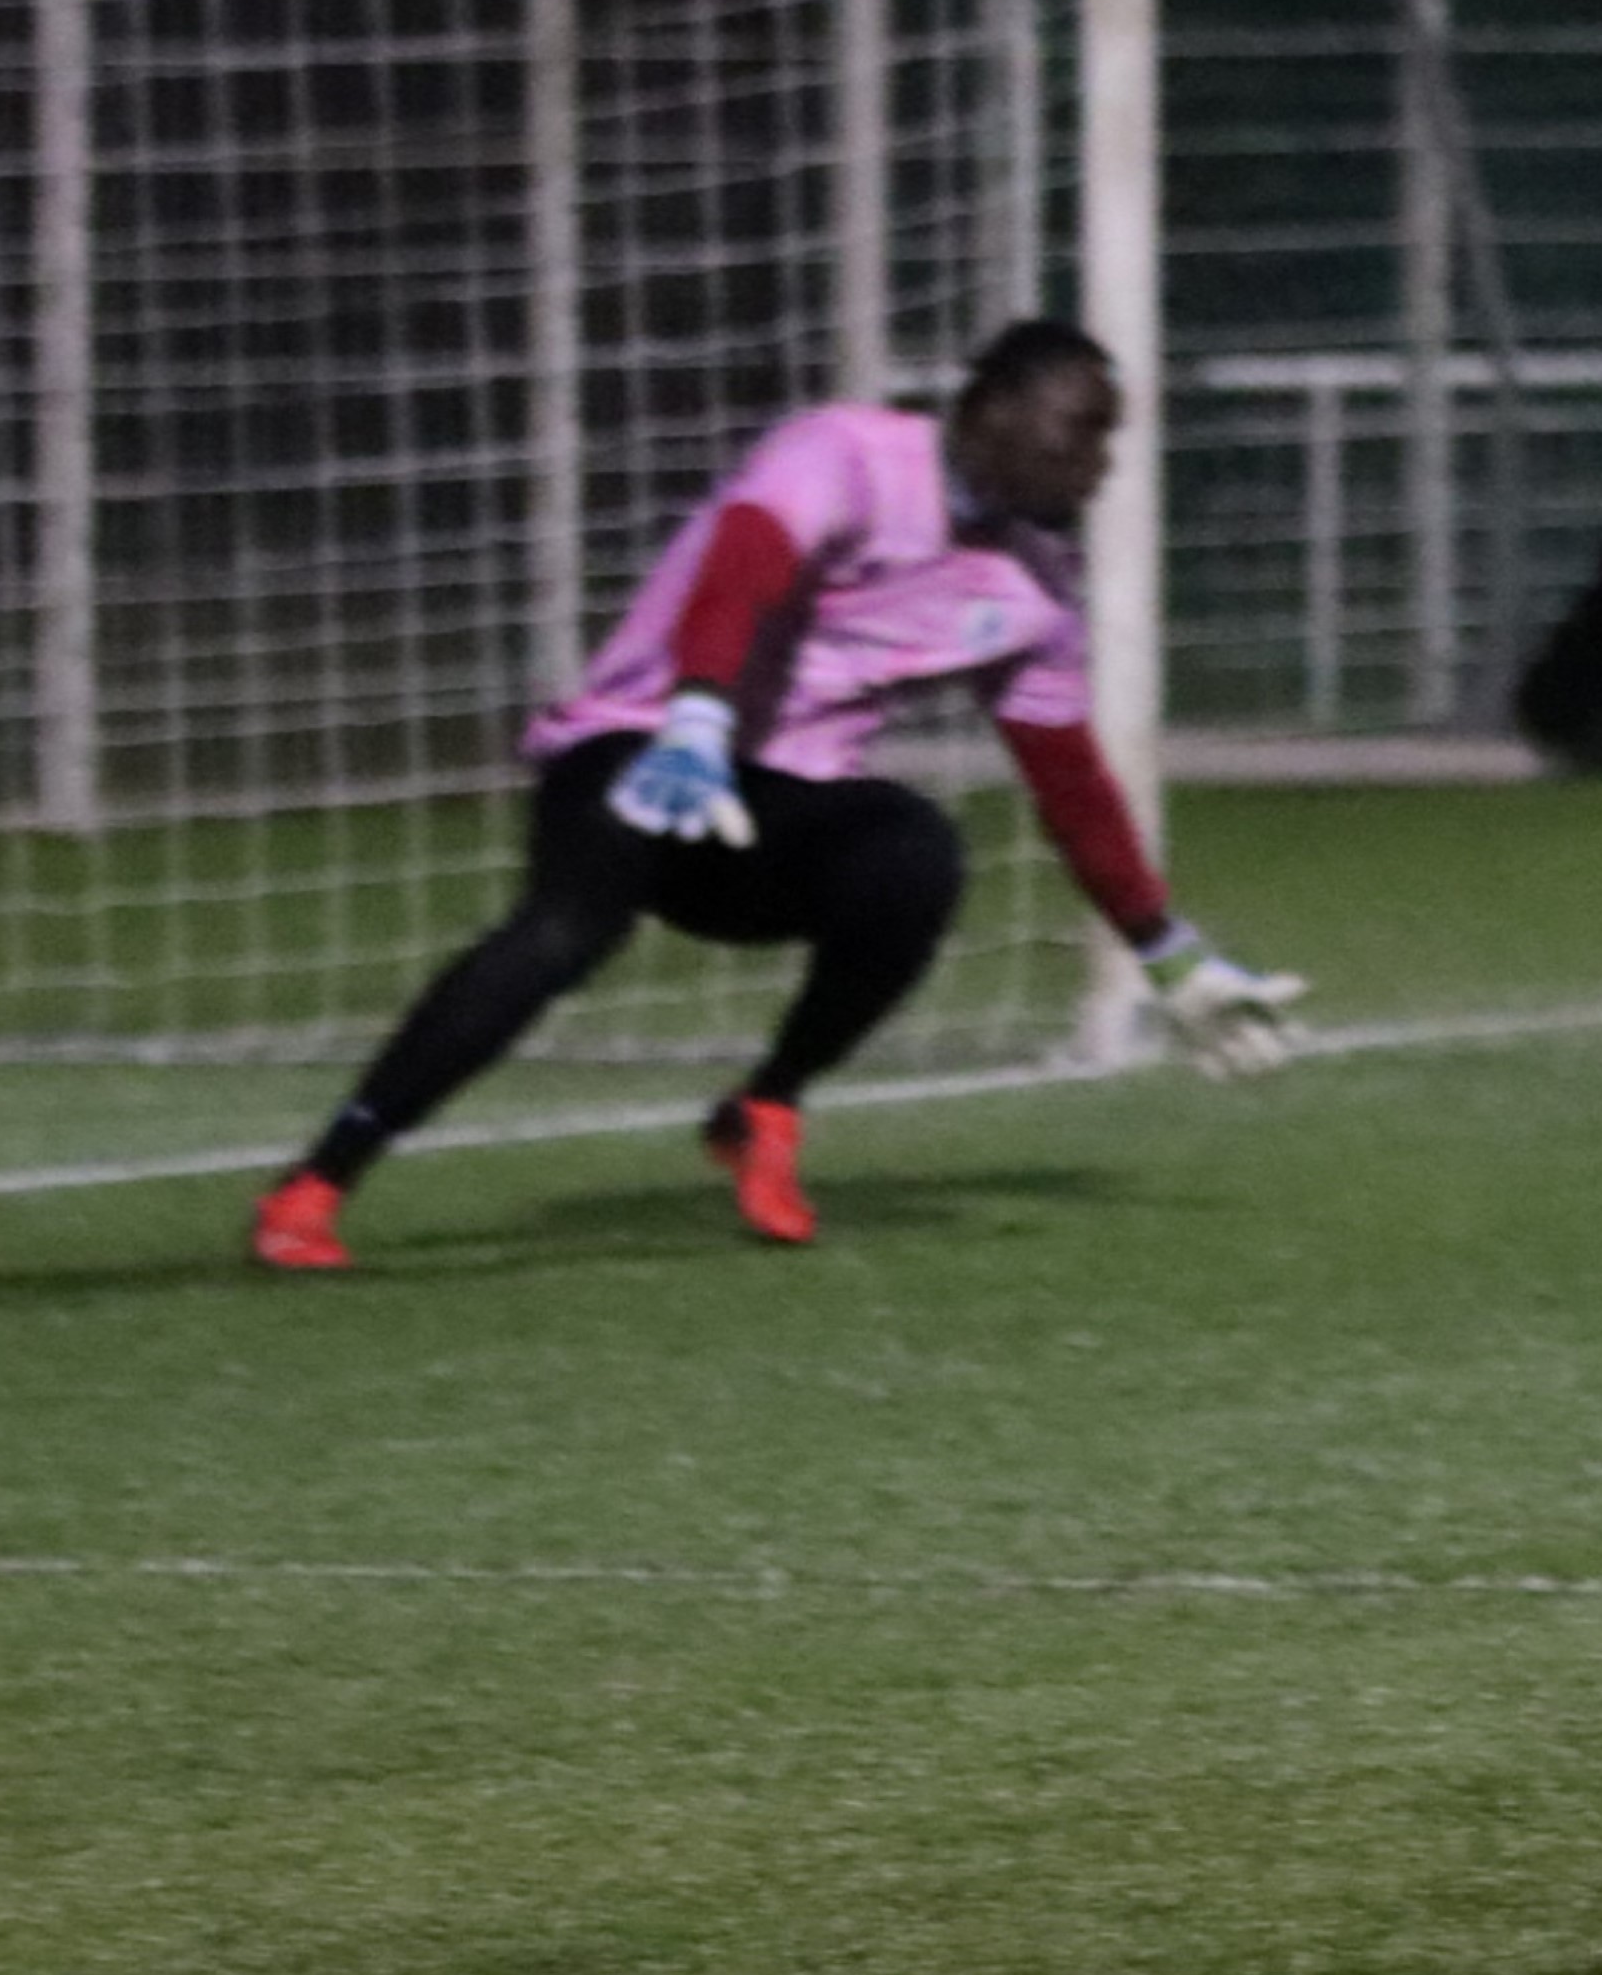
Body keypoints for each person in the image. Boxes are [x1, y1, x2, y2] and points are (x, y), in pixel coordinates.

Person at [247, 322, 1304, 1271]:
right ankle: (321, 1179)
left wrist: (1167, 952)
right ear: (991, 410)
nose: (1099, 464)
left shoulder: (1033, 590)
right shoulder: (848, 452)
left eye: (1110, 439)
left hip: (771, 824)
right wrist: (697, 717)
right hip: (645, 748)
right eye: (1079, 432)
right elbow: (746, 559)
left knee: (914, 853)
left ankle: (766, 1104)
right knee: (564, 932)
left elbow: (1067, 779)